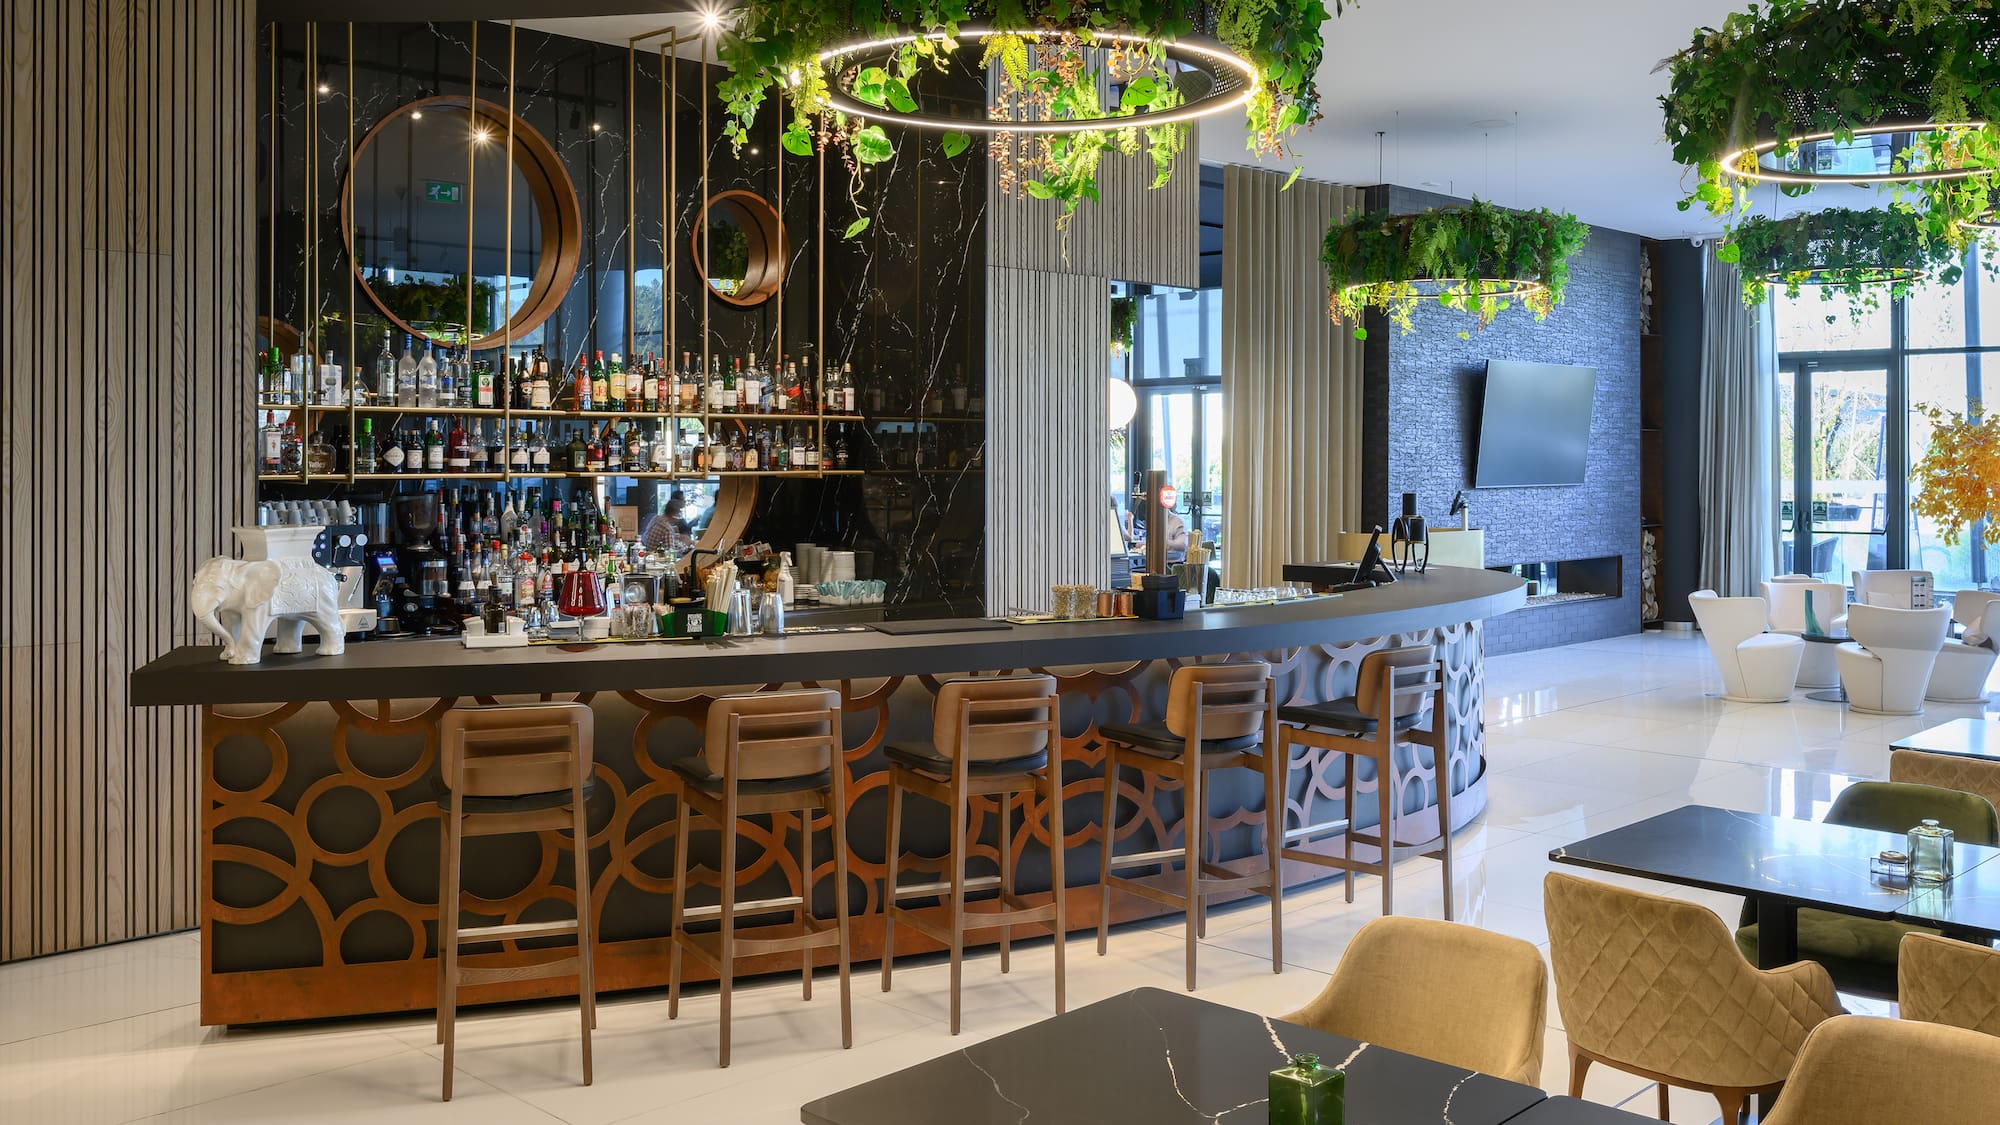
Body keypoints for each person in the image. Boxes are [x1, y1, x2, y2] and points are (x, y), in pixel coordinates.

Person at [642, 490, 693, 555]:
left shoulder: (656, 519)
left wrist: (676, 536)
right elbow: (670, 553)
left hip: (649, 554)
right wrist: (685, 545)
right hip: (658, 560)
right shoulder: (667, 529)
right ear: (674, 515)